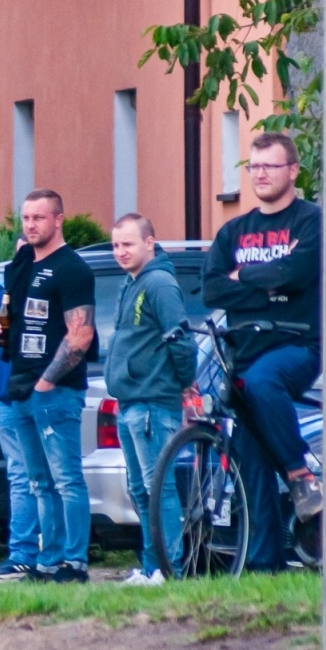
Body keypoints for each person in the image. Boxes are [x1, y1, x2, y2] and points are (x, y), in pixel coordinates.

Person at [203, 132, 324, 572]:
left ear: (292, 170)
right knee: (250, 461)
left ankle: (299, 475)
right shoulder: (234, 231)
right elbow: (212, 288)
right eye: (253, 167)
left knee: (262, 381)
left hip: (298, 345)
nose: (259, 175)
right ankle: (263, 566)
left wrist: (244, 277)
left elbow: (297, 272)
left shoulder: (311, 221)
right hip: (245, 351)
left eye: (269, 166)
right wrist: (269, 282)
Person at [0, 190, 96, 584]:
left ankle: (74, 563)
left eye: (39, 217)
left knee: (67, 480)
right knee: (38, 482)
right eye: (26, 218)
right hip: (18, 387)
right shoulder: (21, 264)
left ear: (58, 219)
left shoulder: (72, 269)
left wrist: (47, 381)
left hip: (56, 390)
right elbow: (9, 313)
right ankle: (47, 563)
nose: (30, 225)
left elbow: (81, 335)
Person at [106, 214, 197, 586]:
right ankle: (150, 568)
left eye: (127, 244)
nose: (120, 252)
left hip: (153, 402)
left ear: (149, 243)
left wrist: (186, 383)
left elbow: (181, 339)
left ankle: (167, 569)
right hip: (130, 402)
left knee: (159, 488)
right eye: (115, 245)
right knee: (142, 491)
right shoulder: (132, 282)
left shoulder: (159, 283)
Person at [0, 286, 49, 573]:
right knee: (19, 477)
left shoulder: (48, 289)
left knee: (50, 478)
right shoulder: (5, 295)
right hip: (6, 403)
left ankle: (55, 555)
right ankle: (22, 553)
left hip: (41, 400)